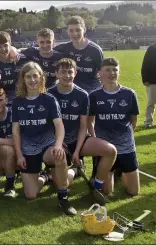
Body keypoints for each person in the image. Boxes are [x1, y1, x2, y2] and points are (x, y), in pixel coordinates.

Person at [11, 61, 77, 215]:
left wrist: (58, 145)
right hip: (29, 149)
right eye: (28, 77)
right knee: (31, 195)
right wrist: (19, 154)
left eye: (35, 76)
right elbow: (16, 132)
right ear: (23, 79)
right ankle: (45, 177)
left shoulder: (49, 100)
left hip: (48, 145)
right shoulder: (17, 102)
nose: (32, 80)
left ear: (41, 78)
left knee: (58, 156)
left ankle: (63, 198)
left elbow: (59, 126)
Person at [48, 58, 116, 205]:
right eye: (63, 72)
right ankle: (75, 171)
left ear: (75, 73)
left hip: (78, 139)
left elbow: (83, 126)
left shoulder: (82, 95)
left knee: (110, 151)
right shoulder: (49, 94)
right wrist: (58, 143)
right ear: (56, 74)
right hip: (58, 142)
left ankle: (96, 185)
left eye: (70, 72)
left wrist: (78, 151)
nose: (67, 75)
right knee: (61, 183)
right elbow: (48, 125)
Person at [89, 57, 140, 197]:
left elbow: (133, 120)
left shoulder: (129, 94)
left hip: (126, 146)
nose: (111, 73)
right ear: (100, 73)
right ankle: (104, 175)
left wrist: (127, 137)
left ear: (119, 72)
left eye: (115, 70)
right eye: (107, 70)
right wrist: (95, 140)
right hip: (105, 148)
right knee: (107, 192)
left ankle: (120, 171)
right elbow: (90, 121)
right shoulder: (94, 96)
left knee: (134, 192)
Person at [53, 16, 104, 94]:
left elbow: (103, 75)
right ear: (67, 31)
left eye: (78, 30)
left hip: (90, 89)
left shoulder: (95, 50)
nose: (75, 33)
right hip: (71, 88)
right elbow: (45, 52)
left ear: (84, 30)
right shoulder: (63, 48)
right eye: (71, 30)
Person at [0, 31, 28, 106]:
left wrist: (16, 50)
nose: (3, 49)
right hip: (0, 102)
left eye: (5, 45)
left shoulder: (20, 59)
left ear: (10, 44)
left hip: (20, 100)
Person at [141, 39, 156, 128]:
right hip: (153, 81)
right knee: (151, 103)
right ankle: (148, 121)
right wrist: (145, 79)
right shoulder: (152, 48)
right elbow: (145, 64)